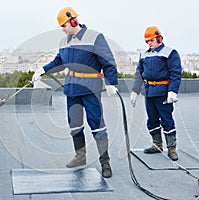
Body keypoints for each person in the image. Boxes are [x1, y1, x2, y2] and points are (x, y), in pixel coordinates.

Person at [32, 7, 118, 178]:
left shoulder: (94, 37)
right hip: (72, 87)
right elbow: (59, 62)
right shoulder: (64, 42)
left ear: (73, 21)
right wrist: (43, 69)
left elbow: (108, 61)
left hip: (90, 87)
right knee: (75, 125)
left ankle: (105, 162)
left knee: (97, 124)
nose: (62, 29)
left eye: (64, 25)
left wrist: (111, 83)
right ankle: (80, 157)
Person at [130, 26, 182, 161]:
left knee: (166, 119)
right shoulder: (144, 55)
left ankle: (171, 148)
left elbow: (175, 73)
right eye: (147, 41)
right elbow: (139, 74)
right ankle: (157, 145)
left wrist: (172, 91)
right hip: (149, 92)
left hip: (163, 92)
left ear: (159, 38)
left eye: (151, 40)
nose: (149, 43)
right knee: (152, 120)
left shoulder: (170, 53)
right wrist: (135, 91)